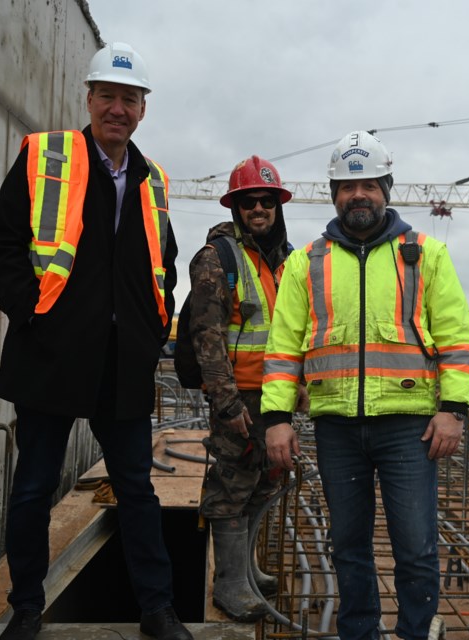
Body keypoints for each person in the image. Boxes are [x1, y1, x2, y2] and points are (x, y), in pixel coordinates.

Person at [0, 42, 191, 640]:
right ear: (90, 99)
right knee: (34, 488)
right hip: (50, 355)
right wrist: (32, 314)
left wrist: (152, 333)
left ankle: (157, 609)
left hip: (123, 363)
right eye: (108, 97)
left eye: (129, 99)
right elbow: (0, 243)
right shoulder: (46, 155)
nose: (117, 109)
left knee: (136, 490)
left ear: (142, 109)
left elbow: (163, 266)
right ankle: (26, 607)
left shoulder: (153, 182)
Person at [261, 131, 469, 640]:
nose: (358, 195)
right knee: (348, 545)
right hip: (337, 427)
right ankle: (360, 633)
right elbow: (283, 349)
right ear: (333, 194)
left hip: (409, 427)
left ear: (387, 188)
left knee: (417, 545)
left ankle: (414, 632)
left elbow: (457, 337)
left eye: (369, 185)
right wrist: (275, 419)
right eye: (346, 186)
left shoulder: (426, 255)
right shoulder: (307, 262)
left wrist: (454, 409)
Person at [174, 156, 304, 621]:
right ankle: (229, 583)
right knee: (231, 484)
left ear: (277, 206)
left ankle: (244, 569)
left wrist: (300, 384)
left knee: (266, 480)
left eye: (266, 202)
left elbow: (295, 329)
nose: (258, 210)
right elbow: (205, 336)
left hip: (276, 397)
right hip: (240, 399)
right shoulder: (218, 259)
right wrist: (225, 401)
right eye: (248, 203)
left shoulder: (288, 261)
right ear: (236, 208)